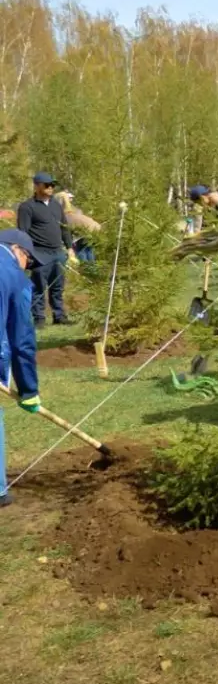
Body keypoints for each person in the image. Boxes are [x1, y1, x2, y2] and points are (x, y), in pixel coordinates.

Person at [0, 229, 43, 506]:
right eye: (29, 261)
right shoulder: (14, 277)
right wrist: (28, 390)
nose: (27, 268)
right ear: (18, 250)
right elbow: (22, 340)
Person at [17, 172, 77, 326]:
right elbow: (23, 232)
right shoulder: (27, 207)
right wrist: (26, 253)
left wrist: (69, 248)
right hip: (39, 253)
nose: (51, 188)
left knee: (58, 287)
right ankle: (39, 318)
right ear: (37, 186)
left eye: (52, 185)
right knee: (38, 288)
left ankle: (59, 316)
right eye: (47, 185)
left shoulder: (56, 205)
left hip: (58, 252)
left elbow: (64, 228)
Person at [54, 190, 101, 264]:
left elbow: (66, 231)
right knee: (88, 250)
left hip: (87, 232)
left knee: (80, 251)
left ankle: (84, 268)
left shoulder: (65, 216)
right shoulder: (74, 212)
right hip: (95, 229)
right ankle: (91, 268)